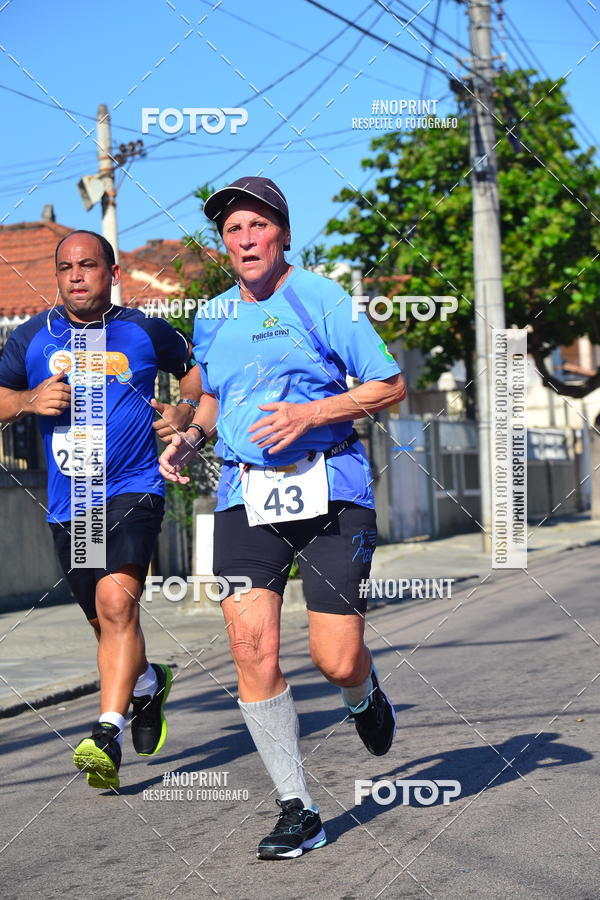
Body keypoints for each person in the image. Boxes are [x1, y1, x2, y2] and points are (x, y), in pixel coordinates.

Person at [159, 176, 406, 859]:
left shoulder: (321, 297)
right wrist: (191, 436)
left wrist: (308, 413)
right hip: (245, 496)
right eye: (233, 231)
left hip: (331, 491)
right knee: (251, 648)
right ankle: (297, 807)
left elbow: (389, 384)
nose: (245, 239)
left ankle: (361, 691)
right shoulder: (212, 316)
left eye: (257, 226)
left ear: (283, 234)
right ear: (225, 245)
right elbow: (212, 400)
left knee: (334, 657)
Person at [0, 230, 203, 790]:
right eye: (66, 267)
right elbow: (0, 397)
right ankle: (146, 685)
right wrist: (26, 401)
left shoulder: (143, 330)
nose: (76, 276)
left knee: (118, 602)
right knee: (105, 622)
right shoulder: (30, 339)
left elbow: (194, 368)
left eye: (88, 265)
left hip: (134, 485)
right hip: (72, 500)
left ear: (112, 273)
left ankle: (105, 733)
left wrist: (183, 412)